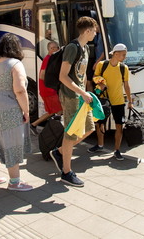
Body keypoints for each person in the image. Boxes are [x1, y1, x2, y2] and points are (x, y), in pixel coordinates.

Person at [0, 33, 33, 191]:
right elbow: (20, 91)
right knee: (12, 142)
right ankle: (15, 182)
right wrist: (26, 111)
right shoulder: (15, 64)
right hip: (8, 106)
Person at [49, 16, 98, 187]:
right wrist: (81, 92)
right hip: (70, 96)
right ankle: (66, 172)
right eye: (94, 30)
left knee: (89, 128)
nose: (95, 33)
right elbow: (63, 76)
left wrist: (86, 92)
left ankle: (60, 152)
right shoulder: (72, 48)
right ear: (87, 31)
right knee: (70, 134)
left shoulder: (86, 49)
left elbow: (82, 75)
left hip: (80, 96)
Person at [88, 43, 133, 160]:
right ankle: (100, 145)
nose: (124, 57)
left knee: (119, 126)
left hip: (118, 101)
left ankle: (117, 150)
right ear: (116, 54)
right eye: (123, 55)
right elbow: (95, 77)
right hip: (104, 100)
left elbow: (126, 86)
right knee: (100, 124)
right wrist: (100, 83)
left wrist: (130, 101)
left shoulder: (124, 68)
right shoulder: (102, 65)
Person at [30, 40, 62, 133]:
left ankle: (34, 125)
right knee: (59, 109)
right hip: (48, 90)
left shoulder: (51, 58)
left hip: (47, 90)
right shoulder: (48, 59)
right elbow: (42, 76)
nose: (55, 49)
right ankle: (57, 130)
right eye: (52, 48)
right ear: (49, 49)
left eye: (56, 47)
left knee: (52, 111)